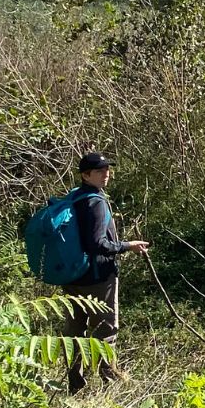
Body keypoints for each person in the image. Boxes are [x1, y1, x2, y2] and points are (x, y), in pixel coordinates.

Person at [57, 151, 149, 391]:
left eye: (107, 169)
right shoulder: (96, 202)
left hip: (72, 276)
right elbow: (97, 244)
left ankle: (75, 383)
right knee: (105, 330)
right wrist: (127, 246)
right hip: (98, 278)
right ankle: (109, 382)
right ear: (86, 175)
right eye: (99, 171)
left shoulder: (74, 196)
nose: (106, 174)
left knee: (74, 332)